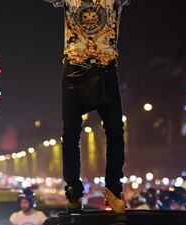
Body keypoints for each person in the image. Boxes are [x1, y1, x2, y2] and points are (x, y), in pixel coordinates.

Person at [43, 0, 129, 213]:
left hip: (104, 68)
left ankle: (111, 189)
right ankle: (74, 190)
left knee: (114, 131)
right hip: (77, 69)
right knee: (72, 134)